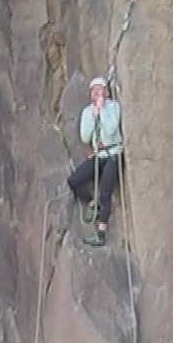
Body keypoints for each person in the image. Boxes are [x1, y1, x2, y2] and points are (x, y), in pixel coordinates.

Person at [66, 77, 124, 247]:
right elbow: (85, 136)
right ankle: (92, 202)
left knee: (106, 192)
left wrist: (102, 111)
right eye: (95, 91)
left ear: (106, 92)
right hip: (99, 155)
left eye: (101, 90)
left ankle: (101, 233)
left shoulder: (113, 107)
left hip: (113, 153)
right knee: (74, 180)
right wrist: (93, 116)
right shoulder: (87, 112)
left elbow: (112, 129)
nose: (98, 93)